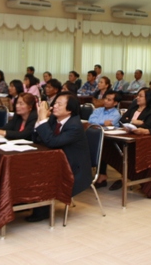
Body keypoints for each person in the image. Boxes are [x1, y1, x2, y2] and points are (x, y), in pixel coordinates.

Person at [29, 94, 92, 222]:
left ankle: (42, 210)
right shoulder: (54, 119)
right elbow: (38, 139)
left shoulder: (75, 125)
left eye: (59, 104)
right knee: (29, 166)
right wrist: (40, 119)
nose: (54, 106)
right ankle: (24, 202)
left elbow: (52, 142)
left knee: (42, 171)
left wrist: (42, 119)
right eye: (55, 103)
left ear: (69, 110)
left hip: (73, 167)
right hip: (57, 160)